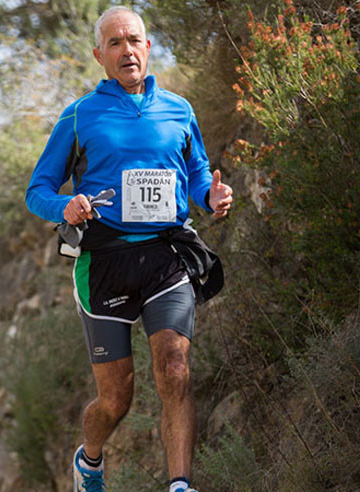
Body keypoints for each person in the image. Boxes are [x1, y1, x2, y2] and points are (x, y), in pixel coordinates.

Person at [24, 6, 233, 492]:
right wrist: (64, 206)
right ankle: (90, 459)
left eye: (134, 40)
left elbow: (197, 174)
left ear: (148, 47)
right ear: (99, 55)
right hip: (105, 262)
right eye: (114, 43)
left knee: (175, 370)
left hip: (166, 257)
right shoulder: (79, 115)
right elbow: (38, 191)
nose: (127, 51)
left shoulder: (179, 110)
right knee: (116, 399)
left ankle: (180, 484)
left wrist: (210, 195)